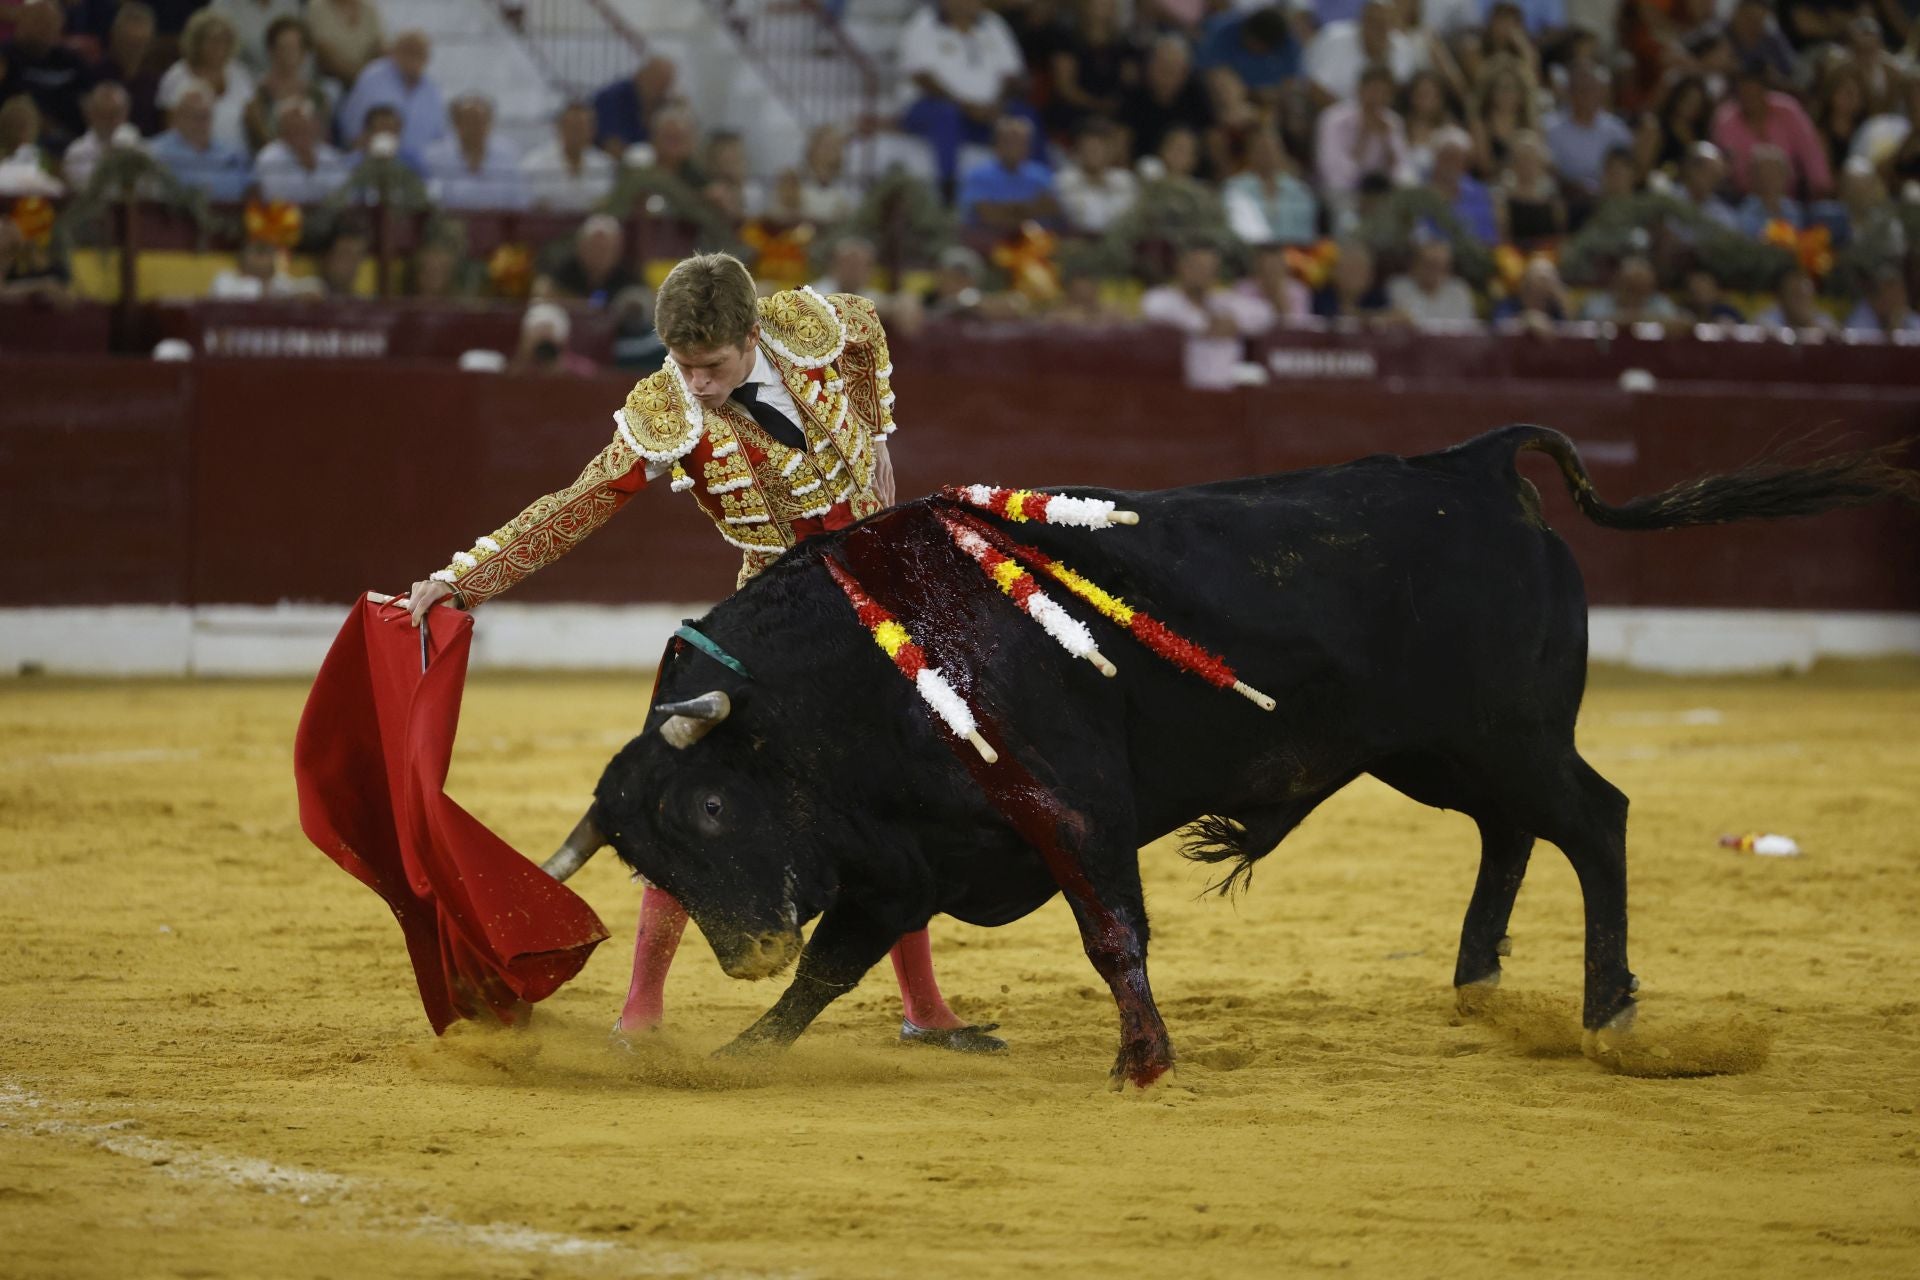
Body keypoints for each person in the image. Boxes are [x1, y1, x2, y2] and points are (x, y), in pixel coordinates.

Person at [401, 252, 1003, 1053]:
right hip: (774, 619)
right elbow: (575, 506)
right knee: (699, 792)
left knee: (893, 802)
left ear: (753, 336)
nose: (697, 385)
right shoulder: (665, 412)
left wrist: (878, 440)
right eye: (683, 367)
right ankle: (639, 1012)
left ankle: (924, 1009)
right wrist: (463, 580)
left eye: (712, 367)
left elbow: (868, 340)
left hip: (881, 609)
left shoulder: (822, 328)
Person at [898, 0, 1032, 193]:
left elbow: (1012, 75)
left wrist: (997, 104)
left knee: (1024, 114)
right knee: (946, 115)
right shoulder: (924, 23)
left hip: (988, 109)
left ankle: (1040, 185)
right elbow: (922, 77)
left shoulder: (993, 24)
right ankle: (948, 188)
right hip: (931, 106)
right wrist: (965, 106)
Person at [1709, 67, 1830, 198]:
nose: (1750, 99)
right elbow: (1724, 167)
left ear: (1766, 91)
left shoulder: (1788, 110)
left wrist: (1820, 187)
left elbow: (1811, 152)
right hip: (1743, 200)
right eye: (1745, 93)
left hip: (1790, 198)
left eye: (1755, 93)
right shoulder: (1725, 120)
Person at [336, 30, 447, 165]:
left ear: (427, 58)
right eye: (408, 50)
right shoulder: (373, 77)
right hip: (372, 163)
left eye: (419, 53)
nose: (413, 57)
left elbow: (440, 136)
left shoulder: (432, 91)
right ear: (394, 51)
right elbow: (351, 126)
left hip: (419, 167)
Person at [157, 9, 255, 154]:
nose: (219, 47)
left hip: (234, 161)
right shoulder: (176, 76)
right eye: (213, 40)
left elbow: (253, 123)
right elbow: (169, 127)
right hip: (187, 158)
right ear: (197, 42)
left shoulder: (240, 74)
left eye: (225, 41)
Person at [0, 0, 91, 148]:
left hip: (73, 142)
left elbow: (90, 97)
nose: (44, 29)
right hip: (20, 142)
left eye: (51, 24)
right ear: (22, 21)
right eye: (38, 21)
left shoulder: (71, 62)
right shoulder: (5, 58)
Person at [1139, 241, 1276, 336]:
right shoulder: (1162, 298)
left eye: (1209, 269)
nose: (1203, 274)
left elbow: (1266, 313)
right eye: (1197, 267)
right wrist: (1206, 325)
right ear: (1181, 266)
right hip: (1176, 374)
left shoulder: (1222, 300)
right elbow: (1154, 309)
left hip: (1224, 376)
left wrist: (1235, 323)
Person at [1314, 64, 1410, 198]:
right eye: (1374, 90)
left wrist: (1386, 141)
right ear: (1359, 89)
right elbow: (1332, 171)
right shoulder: (1333, 119)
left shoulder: (1393, 122)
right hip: (1344, 192)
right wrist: (1363, 136)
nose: (1378, 98)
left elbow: (1401, 169)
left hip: (1382, 192)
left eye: (1384, 93)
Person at [1543, 63, 1633, 199]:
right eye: (1581, 89)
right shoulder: (1549, 127)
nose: (1587, 95)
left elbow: (1628, 171)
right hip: (1566, 201)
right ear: (1569, 92)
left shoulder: (1617, 130)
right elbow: (1546, 171)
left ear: (1601, 92)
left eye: (1592, 89)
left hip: (1608, 201)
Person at [1119, 34, 1214, 164]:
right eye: (1161, 66)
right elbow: (1122, 138)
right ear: (1148, 67)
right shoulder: (1135, 93)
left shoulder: (1197, 94)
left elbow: (1210, 138)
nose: (1166, 74)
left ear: (1185, 73)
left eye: (1173, 68)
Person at [1305, 0, 1424, 103]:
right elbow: (1315, 88)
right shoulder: (1333, 38)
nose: (1377, 28)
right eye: (1373, 21)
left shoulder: (1404, 48)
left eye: (1383, 23)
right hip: (1334, 115)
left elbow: (1403, 93)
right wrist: (1350, 116)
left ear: (1392, 25)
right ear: (1361, 21)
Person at [424, 93, 528, 211]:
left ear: (490, 123)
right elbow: (432, 202)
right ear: (456, 124)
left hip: (499, 225)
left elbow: (520, 202)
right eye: (469, 121)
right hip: (451, 224)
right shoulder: (435, 157)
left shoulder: (508, 154)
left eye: (481, 121)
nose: (475, 128)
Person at [149, 83, 250, 201]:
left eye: (205, 116)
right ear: (177, 116)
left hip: (227, 215)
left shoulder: (232, 155)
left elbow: (251, 188)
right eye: (194, 115)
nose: (201, 123)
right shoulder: (155, 152)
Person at [243, 15, 330, 152]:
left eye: (294, 48)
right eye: (283, 47)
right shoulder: (257, 96)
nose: (288, 54)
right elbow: (260, 140)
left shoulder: (317, 96)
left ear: (304, 53)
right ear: (271, 51)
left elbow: (323, 139)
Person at [957, 114, 1059, 230]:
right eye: (1009, 142)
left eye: (1020, 142)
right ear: (996, 145)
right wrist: (1027, 209)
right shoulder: (977, 176)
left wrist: (1006, 209)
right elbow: (989, 216)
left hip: (1032, 238)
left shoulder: (1042, 174)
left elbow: (1051, 210)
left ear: (1029, 147)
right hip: (987, 237)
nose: (1014, 148)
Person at [1223, 125, 1318, 245]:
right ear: (1250, 153)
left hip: (1292, 257)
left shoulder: (1300, 192)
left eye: (1273, 148)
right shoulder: (1234, 189)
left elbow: (1306, 237)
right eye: (1261, 149)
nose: (1267, 154)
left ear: (1282, 152)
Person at [521, 100, 613, 213]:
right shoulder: (533, 164)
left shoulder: (605, 165)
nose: (577, 133)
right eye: (572, 127)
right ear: (558, 127)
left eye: (582, 127)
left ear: (592, 130)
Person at [251, 96, 347, 203]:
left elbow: (342, 196)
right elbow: (275, 197)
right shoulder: (268, 157)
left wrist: (311, 165)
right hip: (284, 217)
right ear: (281, 129)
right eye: (293, 126)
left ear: (313, 126)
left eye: (303, 126)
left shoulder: (331, 156)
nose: (299, 132)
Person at [539, 213, 641, 307]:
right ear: (580, 247)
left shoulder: (629, 278)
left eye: (605, 248)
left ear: (618, 250)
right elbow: (544, 292)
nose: (599, 254)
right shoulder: (562, 271)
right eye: (593, 247)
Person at [94, 1, 164, 136]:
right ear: (115, 37)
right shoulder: (96, 77)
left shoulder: (155, 82)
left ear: (150, 43)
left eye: (140, 42)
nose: (133, 50)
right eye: (128, 41)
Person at [591, 54, 675, 155]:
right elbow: (613, 147)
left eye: (665, 84)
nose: (660, 89)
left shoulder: (666, 105)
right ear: (641, 75)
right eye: (657, 80)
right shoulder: (612, 98)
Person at [62, 82, 137, 192]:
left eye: (115, 114)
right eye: (102, 114)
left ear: (125, 113)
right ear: (90, 114)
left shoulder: (135, 141)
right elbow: (86, 189)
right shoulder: (76, 152)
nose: (109, 121)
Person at [1386, 234, 1477, 323]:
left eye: (1441, 267)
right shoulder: (1399, 286)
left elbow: (1467, 327)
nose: (1435, 272)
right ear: (1415, 265)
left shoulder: (1459, 290)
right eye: (1430, 265)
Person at [1579, 253, 1679, 325]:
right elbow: (1594, 321)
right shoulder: (1598, 302)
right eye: (1630, 287)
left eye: (1642, 288)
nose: (1635, 294)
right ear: (1617, 283)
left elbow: (1680, 322)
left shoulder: (1659, 303)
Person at [209, 0, 301, 78]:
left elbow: (303, 49)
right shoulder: (223, 5)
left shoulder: (291, 3)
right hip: (240, 83)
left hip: (287, 84)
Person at [306, 0, 386, 86]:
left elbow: (379, 48)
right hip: (332, 82)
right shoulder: (318, 7)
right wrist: (360, 78)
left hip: (367, 79)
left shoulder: (369, 8)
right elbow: (325, 55)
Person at [509, 301, 597, 377]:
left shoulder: (584, 370)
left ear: (563, 339)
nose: (542, 338)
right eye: (536, 331)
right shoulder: (518, 367)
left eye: (547, 332)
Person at [1844, 264, 1920, 334]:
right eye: (1892, 295)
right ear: (1877, 296)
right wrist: (1892, 330)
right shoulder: (1859, 322)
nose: (1899, 299)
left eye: (1900, 292)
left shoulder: (1909, 318)